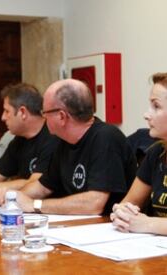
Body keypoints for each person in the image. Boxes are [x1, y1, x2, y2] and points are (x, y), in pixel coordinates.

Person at [9, 79, 136, 215]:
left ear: (62, 116)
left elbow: (94, 204)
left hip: (109, 228)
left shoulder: (106, 138)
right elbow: (43, 187)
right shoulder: (62, 141)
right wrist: (13, 198)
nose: (43, 118)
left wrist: (34, 205)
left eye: (44, 113)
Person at [111, 73, 167, 234]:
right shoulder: (156, 153)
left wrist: (148, 224)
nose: (146, 114)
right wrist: (122, 213)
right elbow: (128, 203)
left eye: (156, 106)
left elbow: (144, 223)